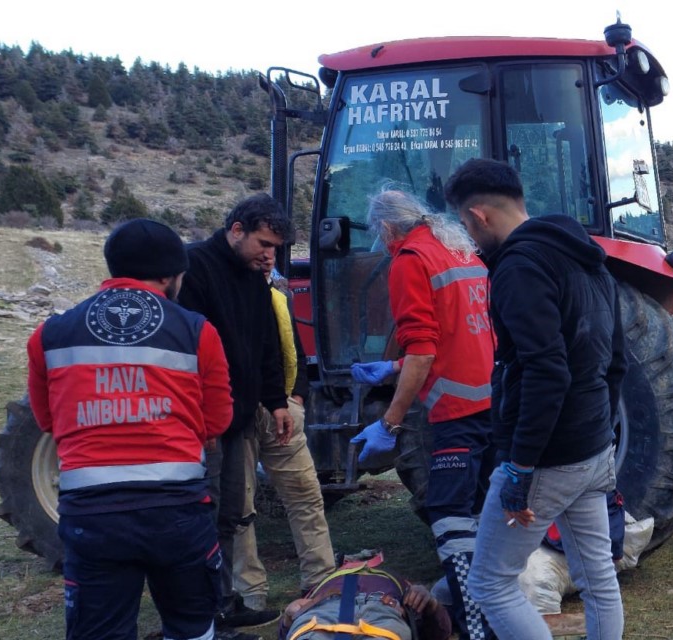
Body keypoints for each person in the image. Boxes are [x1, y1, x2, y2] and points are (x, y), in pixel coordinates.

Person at [25, 218, 233, 640]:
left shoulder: (49, 334)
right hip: (176, 512)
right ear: (169, 275)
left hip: (92, 518)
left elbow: (48, 422)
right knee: (192, 628)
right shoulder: (197, 331)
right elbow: (217, 421)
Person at [444, 159, 626, 639]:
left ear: (480, 215)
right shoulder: (589, 260)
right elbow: (616, 362)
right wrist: (600, 433)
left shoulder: (519, 268)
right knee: (597, 578)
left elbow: (547, 369)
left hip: (546, 457)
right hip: (591, 449)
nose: (468, 234)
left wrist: (521, 466)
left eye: (465, 223)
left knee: (490, 583)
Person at [351, 188, 496, 640]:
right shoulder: (458, 250)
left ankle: (477, 627)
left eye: (380, 233)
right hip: (494, 401)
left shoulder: (411, 259)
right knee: (482, 510)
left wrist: (389, 422)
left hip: (456, 410)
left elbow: (425, 350)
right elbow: (461, 332)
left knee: (449, 514)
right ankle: (498, 609)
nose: (382, 241)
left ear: (389, 227)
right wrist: (394, 365)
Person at [178, 193, 295, 635]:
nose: (270, 255)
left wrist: (278, 401)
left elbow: (265, 343)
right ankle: (200, 614)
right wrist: (202, 420)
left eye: (276, 249)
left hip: (239, 418)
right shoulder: (195, 269)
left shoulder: (254, 277)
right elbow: (188, 354)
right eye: (264, 244)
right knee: (202, 515)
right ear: (236, 230)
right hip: (204, 423)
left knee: (229, 515)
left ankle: (224, 605)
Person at [230, 264, 336, 613]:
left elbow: (296, 351)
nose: (266, 264)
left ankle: (321, 582)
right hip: (238, 415)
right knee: (239, 506)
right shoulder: (222, 303)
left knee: (305, 494)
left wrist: (297, 399)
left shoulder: (279, 300)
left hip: (283, 411)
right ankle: (250, 594)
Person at [277, 555, 452, 640]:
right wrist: (287, 618)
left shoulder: (398, 581)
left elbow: (438, 633)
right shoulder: (326, 582)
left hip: (380, 612)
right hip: (323, 612)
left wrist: (431, 604)